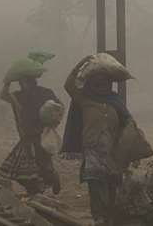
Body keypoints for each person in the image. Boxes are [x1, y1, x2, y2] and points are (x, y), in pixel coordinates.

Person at [62, 56, 132, 226]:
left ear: (110, 84)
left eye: (105, 82)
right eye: (98, 83)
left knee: (112, 185)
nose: (102, 86)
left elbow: (130, 126)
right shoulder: (85, 100)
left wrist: (133, 151)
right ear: (91, 84)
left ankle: (110, 218)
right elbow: (69, 85)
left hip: (113, 152)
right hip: (93, 151)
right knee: (96, 184)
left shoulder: (116, 102)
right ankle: (99, 218)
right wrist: (81, 62)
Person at [0, 76, 61, 196]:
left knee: (25, 168)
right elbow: (59, 107)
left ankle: (44, 183)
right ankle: (43, 184)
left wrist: (7, 82)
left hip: (31, 136)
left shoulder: (20, 95)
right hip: (41, 134)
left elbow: (3, 95)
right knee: (38, 165)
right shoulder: (46, 92)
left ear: (23, 82)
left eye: (20, 81)